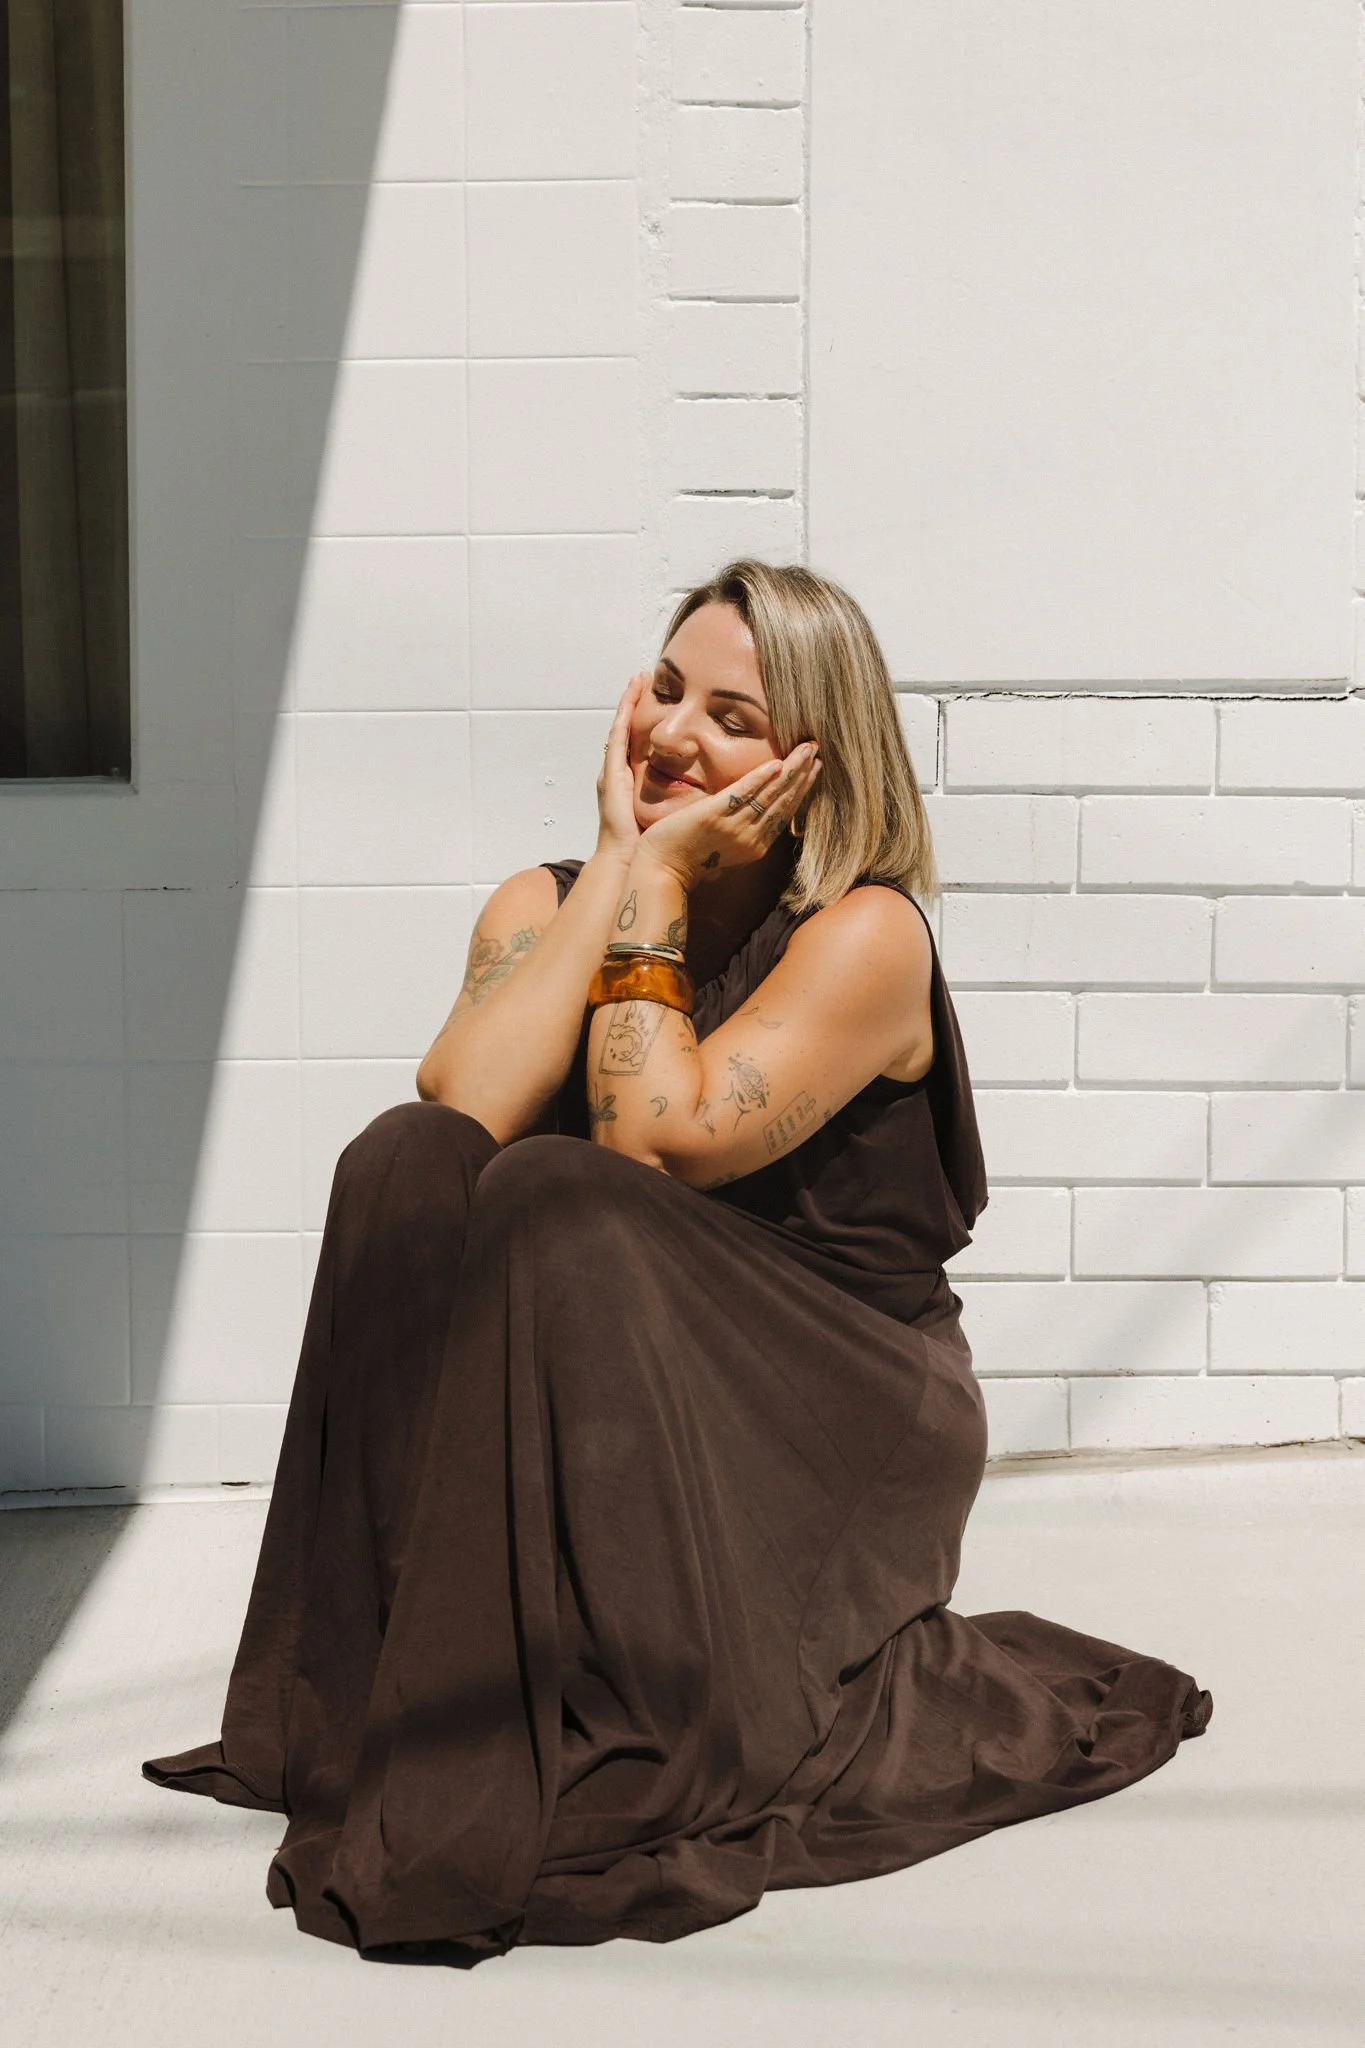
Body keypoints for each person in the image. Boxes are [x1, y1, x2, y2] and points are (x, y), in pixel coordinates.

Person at [143, 559, 1211, 1961]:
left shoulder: (866, 935)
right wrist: (619, 870)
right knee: (404, 1162)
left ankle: (660, 1723)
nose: (672, 733)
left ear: (815, 765)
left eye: (731, 716)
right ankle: (370, 1706)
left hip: (834, 1396)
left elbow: (654, 1139)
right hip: (619, 1379)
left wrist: (650, 892)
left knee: (564, 1195)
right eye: (664, 689)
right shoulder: (540, 902)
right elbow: (459, 1103)